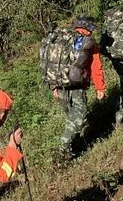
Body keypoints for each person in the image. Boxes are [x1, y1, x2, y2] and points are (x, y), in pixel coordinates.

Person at [39, 17, 106, 160]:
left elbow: (50, 63)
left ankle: (72, 148)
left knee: (71, 116)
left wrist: (53, 86)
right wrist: (100, 88)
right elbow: (96, 67)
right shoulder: (87, 42)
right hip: (77, 86)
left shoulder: (60, 39)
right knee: (80, 115)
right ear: (88, 28)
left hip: (59, 84)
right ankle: (63, 147)